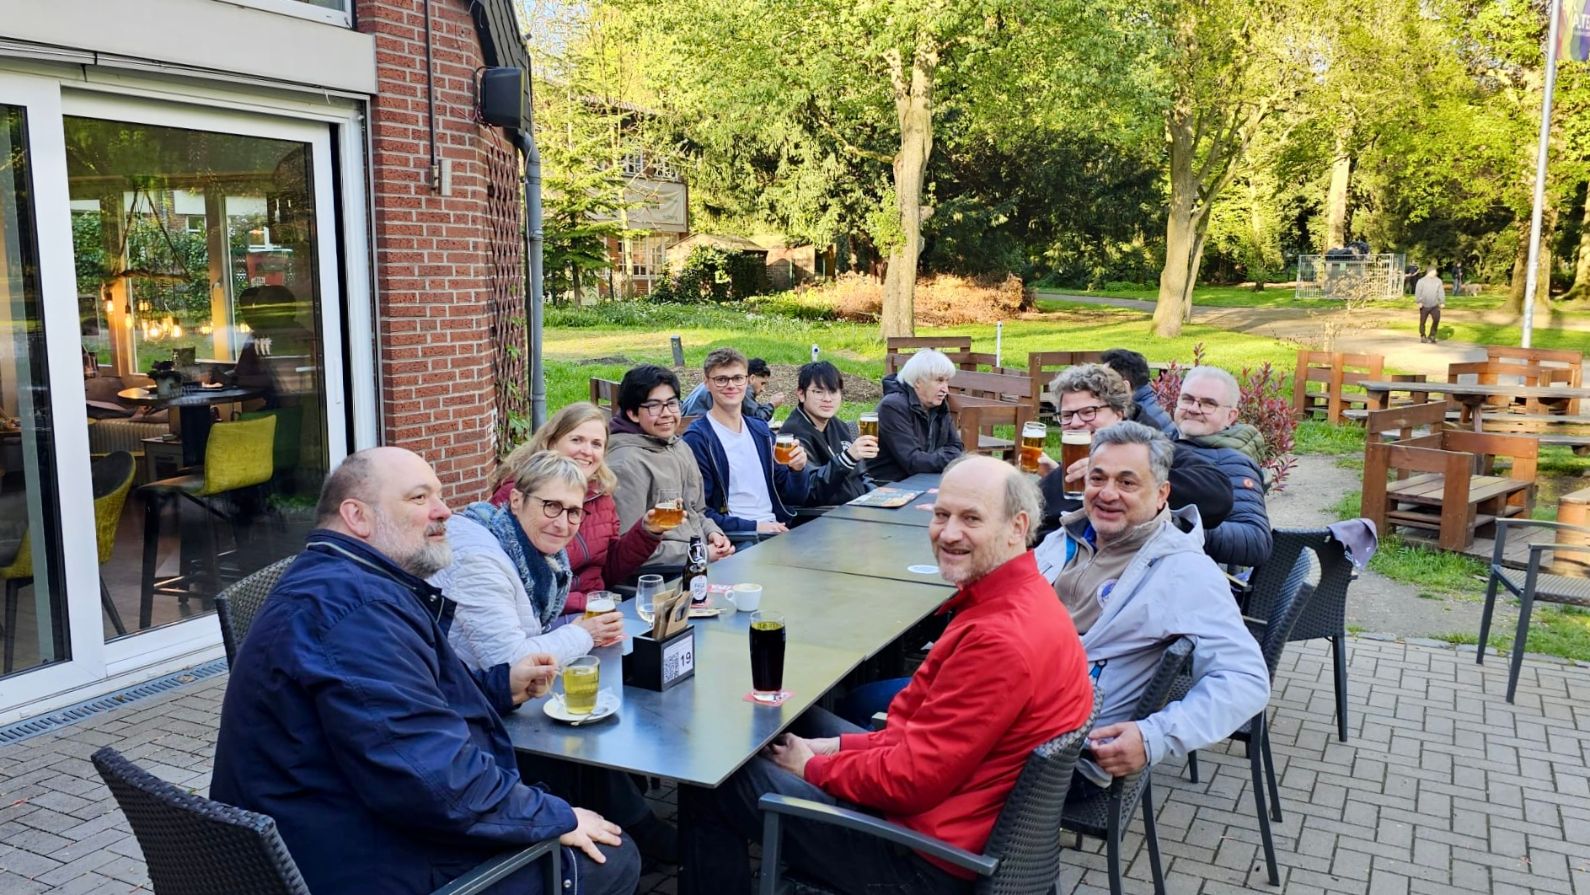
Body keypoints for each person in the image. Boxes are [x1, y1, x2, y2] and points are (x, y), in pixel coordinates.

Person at [210, 447, 639, 895]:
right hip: (356, 860)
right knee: (612, 857)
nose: (443, 510)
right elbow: (437, 783)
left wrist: (498, 687)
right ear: (357, 516)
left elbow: (404, 701)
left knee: (554, 790)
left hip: (339, 824)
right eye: (419, 498)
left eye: (438, 495)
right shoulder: (355, 613)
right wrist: (556, 817)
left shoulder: (345, 579)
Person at [680, 455, 1094, 895]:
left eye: (971, 518)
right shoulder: (1027, 598)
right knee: (783, 716)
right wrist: (835, 747)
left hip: (920, 861)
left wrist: (813, 766)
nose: (949, 533)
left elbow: (911, 780)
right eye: (942, 515)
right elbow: (920, 738)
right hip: (957, 820)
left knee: (714, 777)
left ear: (1017, 527)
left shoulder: (998, 640)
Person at [434, 449, 678, 866]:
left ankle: (634, 825)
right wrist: (582, 633)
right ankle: (630, 840)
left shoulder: (525, 548)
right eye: (551, 506)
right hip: (471, 720)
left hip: (489, 696)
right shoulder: (480, 561)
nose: (563, 523)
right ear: (516, 501)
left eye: (573, 512)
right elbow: (513, 665)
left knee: (591, 712)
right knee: (584, 719)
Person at [1037, 422, 1269, 789]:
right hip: (1010, 709)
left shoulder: (1183, 571)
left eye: (1127, 483)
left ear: (1162, 494)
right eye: (1097, 478)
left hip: (1061, 760)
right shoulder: (1066, 536)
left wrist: (1153, 737)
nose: (1107, 493)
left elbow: (1246, 680)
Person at [488, 403, 663, 614]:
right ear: (551, 442)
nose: (587, 451)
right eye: (577, 440)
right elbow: (519, 585)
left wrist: (647, 532)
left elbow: (608, 570)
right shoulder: (520, 495)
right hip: (544, 617)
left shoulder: (600, 494)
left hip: (594, 609)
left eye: (596, 444)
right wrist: (586, 606)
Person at [1034, 363, 1232, 540]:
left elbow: (1218, 496)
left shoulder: (1154, 450)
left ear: (1119, 413)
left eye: (1088, 412)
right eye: (1067, 415)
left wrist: (1134, 478)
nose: (1076, 423)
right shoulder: (1065, 473)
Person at [606, 364, 734, 569]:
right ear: (632, 413)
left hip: (700, 557)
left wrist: (713, 533)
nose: (666, 413)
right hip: (665, 574)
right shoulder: (625, 464)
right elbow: (627, 549)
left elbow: (696, 511)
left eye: (672, 403)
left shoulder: (679, 447)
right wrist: (700, 554)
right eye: (654, 406)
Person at [682, 348, 810, 541]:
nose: (731, 385)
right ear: (706, 383)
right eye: (721, 379)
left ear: (747, 381)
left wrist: (798, 471)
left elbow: (793, 496)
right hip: (739, 538)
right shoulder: (698, 438)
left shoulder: (760, 431)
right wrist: (755, 526)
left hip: (779, 529)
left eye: (737, 378)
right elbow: (701, 512)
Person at [1170, 366, 1273, 568]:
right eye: (1187, 399)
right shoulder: (1165, 442)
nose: (1194, 409)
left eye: (1209, 404)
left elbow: (1256, 540)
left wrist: (1178, 527)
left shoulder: (1232, 462)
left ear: (1230, 416)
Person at [779, 360, 879, 506]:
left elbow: (862, 475)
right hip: (828, 515)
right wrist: (847, 457)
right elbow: (811, 490)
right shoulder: (794, 434)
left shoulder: (838, 425)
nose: (827, 399)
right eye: (818, 392)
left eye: (833, 391)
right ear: (801, 394)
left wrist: (877, 496)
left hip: (861, 508)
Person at [869, 348, 963, 483]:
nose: (945, 389)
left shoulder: (939, 405)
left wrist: (949, 456)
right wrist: (952, 457)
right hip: (888, 485)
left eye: (947, 381)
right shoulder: (893, 407)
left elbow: (957, 446)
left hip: (924, 478)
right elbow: (913, 462)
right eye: (939, 381)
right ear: (918, 382)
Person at [678, 356, 784, 421]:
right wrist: (772, 405)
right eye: (762, 383)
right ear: (752, 378)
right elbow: (757, 418)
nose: (763, 389)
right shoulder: (742, 388)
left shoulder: (709, 384)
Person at [1100, 348, 1174, 434]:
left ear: (1124, 384)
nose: (1099, 385)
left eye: (1104, 379)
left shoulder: (1138, 418)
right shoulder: (1148, 403)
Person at [1415, 266, 1446, 343]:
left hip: (1434, 305)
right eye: (1434, 271)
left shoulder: (1438, 281)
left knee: (1436, 319)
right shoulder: (1421, 281)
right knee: (1422, 321)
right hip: (1424, 305)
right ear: (1429, 272)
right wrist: (1419, 301)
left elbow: (1441, 292)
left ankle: (1432, 335)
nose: (1435, 273)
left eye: (1435, 271)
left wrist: (1442, 302)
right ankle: (1423, 335)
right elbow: (1418, 292)